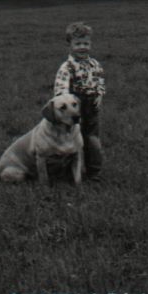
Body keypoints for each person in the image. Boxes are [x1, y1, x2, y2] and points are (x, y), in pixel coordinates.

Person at [53, 21, 105, 180]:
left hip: (91, 106)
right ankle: (68, 172)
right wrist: (66, 109)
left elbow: (99, 81)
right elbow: (60, 90)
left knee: (92, 139)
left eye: (86, 43)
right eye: (78, 44)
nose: (82, 47)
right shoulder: (67, 67)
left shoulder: (94, 64)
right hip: (73, 107)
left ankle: (94, 172)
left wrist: (99, 95)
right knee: (70, 139)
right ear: (70, 45)